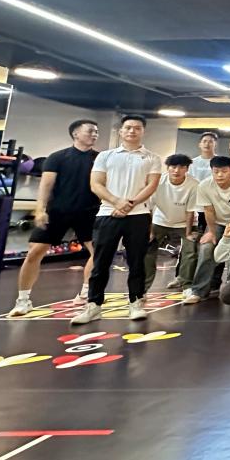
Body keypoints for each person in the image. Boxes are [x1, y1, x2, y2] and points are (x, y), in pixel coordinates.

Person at [71, 115, 162, 325]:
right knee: (100, 262)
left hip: (138, 215)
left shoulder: (152, 158)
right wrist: (116, 202)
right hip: (107, 214)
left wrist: (129, 204)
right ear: (121, 131)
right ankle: (94, 305)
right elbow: (96, 184)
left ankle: (136, 303)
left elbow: (151, 185)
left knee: (137, 262)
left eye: (137, 128)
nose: (132, 131)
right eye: (128, 127)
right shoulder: (105, 156)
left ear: (143, 132)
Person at [9, 119, 101, 317]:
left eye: (96, 132)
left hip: (89, 212)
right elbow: (46, 185)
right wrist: (40, 210)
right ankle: (23, 300)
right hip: (58, 211)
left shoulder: (100, 158)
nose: (94, 134)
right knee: (34, 253)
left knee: (99, 253)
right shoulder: (57, 157)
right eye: (90, 131)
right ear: (75, 134)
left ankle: (85, 293)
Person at [183, 156, 230, 304]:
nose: (220, 175)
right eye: (216, 171)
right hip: (217, 222)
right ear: (211, 171)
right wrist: (211, 232)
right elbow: (208, 211)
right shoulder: (204, 186)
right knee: (206, 248)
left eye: (224, 171)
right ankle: (199, 291)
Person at [146, 154, 200, 292]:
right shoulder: (158, 182)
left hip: (184, 223)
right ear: (168, 168)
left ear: (187, 169)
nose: (177, 170)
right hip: (160, 220)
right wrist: (150, 231)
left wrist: (188, 233)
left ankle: (186, 283)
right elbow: (149, 208)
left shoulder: (194, 185)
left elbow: (190, 211)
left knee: (190, 250)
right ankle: (143, 288)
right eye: (173, 167)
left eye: (181, 167)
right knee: (148, 249)